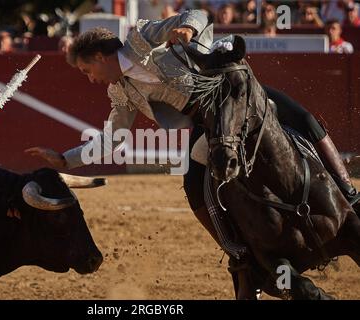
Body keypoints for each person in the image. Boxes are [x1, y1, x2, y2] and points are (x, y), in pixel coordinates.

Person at [25, 9, 358, 282]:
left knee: (304, 119)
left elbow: (197, 13)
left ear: (100, 55)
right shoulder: (120, 93)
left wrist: (186, 27)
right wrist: (66, 160)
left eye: (87, 69)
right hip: (207, 124)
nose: (90, 78)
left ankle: (349, 192)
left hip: (232, 93)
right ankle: (239, 254)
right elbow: (114, 138)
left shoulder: (141, 39)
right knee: (193, 182)